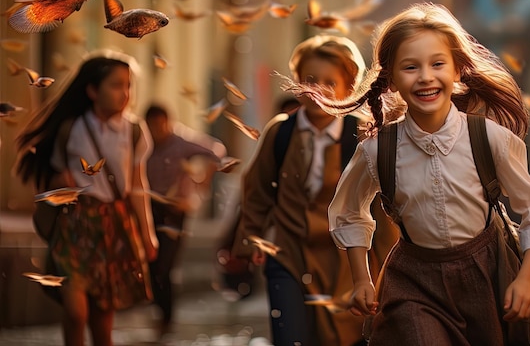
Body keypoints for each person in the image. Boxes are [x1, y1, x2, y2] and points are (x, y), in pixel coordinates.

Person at [285, 3, 530, 345]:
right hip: (413, 281)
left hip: (487, 277)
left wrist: (527, 280)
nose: (426, 76)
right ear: (392, 80)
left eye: (437, 64)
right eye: (411, 67)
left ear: (457, 72)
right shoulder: (377, 150)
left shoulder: (489, 138)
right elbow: (348, 212)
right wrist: (361, 279)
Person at [232, 34, 394, 346]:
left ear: (349, 87)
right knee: (290, 336)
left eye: (330, 82)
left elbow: (382, 208)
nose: (318, 90)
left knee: (342, 337)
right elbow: (257, 190)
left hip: (346, 262)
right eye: (309, 80)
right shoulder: (281, 132)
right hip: (288, 255)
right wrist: (249, 240)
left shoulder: (365, 135)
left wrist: (388, 266)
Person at [14, 50, 157, 346]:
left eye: (128, 85)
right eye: (116, 85)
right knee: (76, 311)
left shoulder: (133, 131)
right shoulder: (71, 128)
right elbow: (52, 178)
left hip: (114, 224)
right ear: (92, 90)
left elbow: (138, 185)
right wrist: (58, 182)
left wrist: (147, 234)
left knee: (103, 318)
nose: (125, 93)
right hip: (75, 224)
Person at [144, 103, 228, 337]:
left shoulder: (182, 143)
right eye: (152, 126)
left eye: (161, 125)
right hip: (148, 207)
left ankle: (167, 319)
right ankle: (159, 312)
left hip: (175, 211)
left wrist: (204, 182)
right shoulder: (143, 143)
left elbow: (216, 152)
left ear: (169, 122)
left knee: (166, 265)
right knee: (151, 263)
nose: (157, 130)